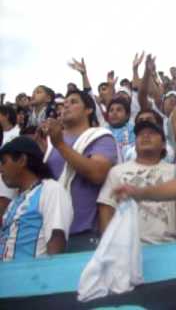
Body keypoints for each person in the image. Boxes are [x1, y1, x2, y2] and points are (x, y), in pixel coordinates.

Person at [43, 90, 117, 251]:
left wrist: (61, 145)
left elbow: (97, 174)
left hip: (84, 232)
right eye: (65, 103)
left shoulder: (101, 136)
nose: (66, 105)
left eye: (74, 101)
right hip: (49, 232)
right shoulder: (50, 142)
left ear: (89, 110)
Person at [97, 121, 176, 244]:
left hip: (168, 244)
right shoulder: (117, 172)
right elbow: (106, 207)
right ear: (134, 145)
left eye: (151, 133)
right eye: (140, 134)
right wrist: (108, 244)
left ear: (163, 144)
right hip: (127, 247)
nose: (145, 136)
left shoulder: (175, 172)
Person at [0, 136, 73, 261]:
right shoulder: (14, 203)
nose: (1, 168)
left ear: (22, 160)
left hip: (34, 276)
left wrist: (49, 276)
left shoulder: (51, 190)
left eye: (3, 162)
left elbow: (57, 238)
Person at [106, 97, 135, 161]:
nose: (114, 113)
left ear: (127, 115)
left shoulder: (133, 130)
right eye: (111, 110)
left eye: (119, 110)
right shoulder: (103, 132)